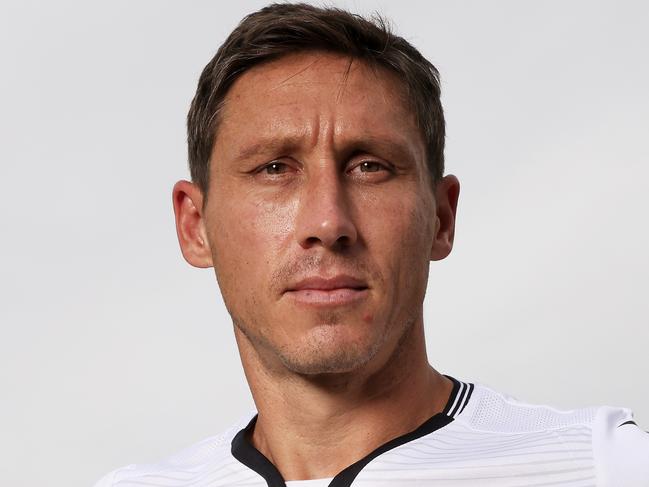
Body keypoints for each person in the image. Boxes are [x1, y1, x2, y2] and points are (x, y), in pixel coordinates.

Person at [95, 3, 649, 486]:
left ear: (441, 218)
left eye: (370, 167)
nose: (328, 221)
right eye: (273, 168)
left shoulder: (607, 467)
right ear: (195, 226)